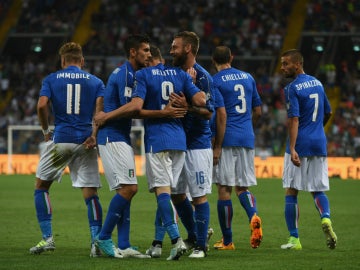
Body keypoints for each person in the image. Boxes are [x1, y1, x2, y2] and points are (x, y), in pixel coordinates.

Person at [94, 45, 206, 260]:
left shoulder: (143, 75)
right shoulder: (181, 74)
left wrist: (161, 113)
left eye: (147, 55)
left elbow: (136, 107)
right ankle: (182, 238)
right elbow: (201, 101)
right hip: (180, 141)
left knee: (162, 191)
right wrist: (190, 89)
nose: (144, 59)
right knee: (171, 192)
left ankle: (175, 240)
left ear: (152, 58)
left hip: (157, 139)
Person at [29, 42, 105, 256]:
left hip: (61, 140)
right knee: (91, 193)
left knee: (41, 187)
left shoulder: (51, 79)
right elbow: (100, 113)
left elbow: (42, 105)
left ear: (63, 61)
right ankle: (95, 243)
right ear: (82, 61)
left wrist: (46, 131)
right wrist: (94, 136)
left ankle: (48, 238)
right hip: (86, 142)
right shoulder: (96, 81)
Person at [95, 34, 151, 258]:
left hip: (119, 136)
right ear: (133, 52)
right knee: (129, 189)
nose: (148, 54)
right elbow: (131, 108)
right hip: (112, 137)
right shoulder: (127, 75)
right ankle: (104, 237)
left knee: (125, 190)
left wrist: (105, 115)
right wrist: (106, 117)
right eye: (145, 50)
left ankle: (125, 243)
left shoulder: (130, 73)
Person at [279, 49, 337, 250]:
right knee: (317, 189)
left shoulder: (292, 88)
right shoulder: (318, 83)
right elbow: (328, 112)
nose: (282, 67)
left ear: (297, 64)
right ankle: (326, 218)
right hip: (319, 141)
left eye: (286, 64)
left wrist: (293, 147)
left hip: (301, 143)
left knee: (291, 191)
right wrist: (317, 130)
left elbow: (294, 119)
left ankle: (294, 239)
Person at [167, 31, 214, 258]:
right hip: (177, 142)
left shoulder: (203, 76)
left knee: (199, 196)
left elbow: (207, 113)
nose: (171, 50)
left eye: (174, 47)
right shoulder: (174, 73)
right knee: (176, 194)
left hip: (197, 144)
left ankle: (201, 247)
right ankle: (196, 234)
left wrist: (188, 106)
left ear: (187, 48)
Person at [211, 45, 263, 250]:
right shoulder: (248, 77)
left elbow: (219, 116)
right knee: (243, 187)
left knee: (224, 189)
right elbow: (258, 111)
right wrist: (248, 128)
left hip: (227, 139)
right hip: (246, 138)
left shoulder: (215, 81)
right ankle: (254, 215)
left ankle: (227, 240)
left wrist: (216, 146)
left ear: (214, 60)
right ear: (231, 57)